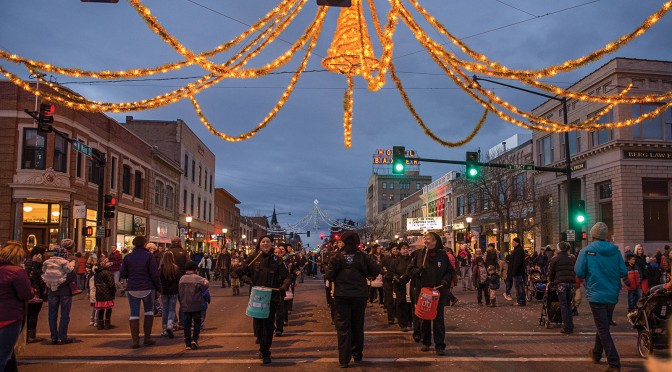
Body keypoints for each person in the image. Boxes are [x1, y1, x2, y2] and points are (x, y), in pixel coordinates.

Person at [575, 222, 628, 372]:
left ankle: (614, 363)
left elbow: (579, 272)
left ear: (592, 235)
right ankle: (596, 354)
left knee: (603, 328)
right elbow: (623, 271)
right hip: (612, 294)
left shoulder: (587, 251)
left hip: (596, 293)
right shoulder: (616, 251)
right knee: (603, 326)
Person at [325, 231, 380, 368]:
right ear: (357, 243)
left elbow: (329, 276)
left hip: (342, 295)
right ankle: (357, 354)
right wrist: (365, 274)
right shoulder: (363, 257)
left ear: (343, 242)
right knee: (357, 325)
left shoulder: (336, 257)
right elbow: (375, 270)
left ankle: (344, 359)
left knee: (343, 326)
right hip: (359, 295)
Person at [236, 236, 291, 365]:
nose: (265, 243)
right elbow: (241, 272)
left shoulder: (277, 260)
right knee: (259, 326)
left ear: (272, 244)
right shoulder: (253, 258)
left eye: (268, 242)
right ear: (260, 244)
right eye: (263, 241)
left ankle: (266, 352)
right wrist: (247, 280)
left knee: (268, 325)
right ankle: (262, 346)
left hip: (272, 296)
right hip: (257, 296)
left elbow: (287, 277)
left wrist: (283, 287)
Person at [407, 232, 455, 356]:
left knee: (438, 319)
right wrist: (418, 271)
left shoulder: (442, 255)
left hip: (438, 291)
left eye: (428, 239)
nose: (426, 241)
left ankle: (440, 345)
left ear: (435, 241)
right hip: (423, 291)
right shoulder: (419, 254)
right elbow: (410, 270)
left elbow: (450, 271)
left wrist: (445, 280)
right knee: (424, 318)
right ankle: (426, 341)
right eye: (425, 239)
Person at [120, 235, 162, 349]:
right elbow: (154, 273)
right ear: (144, 244)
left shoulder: (128, 257)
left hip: (133, 287)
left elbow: (123, 274)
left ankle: (135, 340)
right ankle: (147, 337)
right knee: (149, 311)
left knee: (134, 313)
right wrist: (159, 288)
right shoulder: (149, 256)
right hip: (148, 287)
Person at [0, 241, 34, 371]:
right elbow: (26, 294)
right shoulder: (17, 272)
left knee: (7, 355)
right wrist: (33, 292)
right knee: (3, 355)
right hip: (10, 317)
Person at [45, 239, 79, 345]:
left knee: (52, 314)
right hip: (65, 290)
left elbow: (46, 272)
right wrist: (61, 283)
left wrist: (53, 283)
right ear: (72, 247)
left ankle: (54, 336)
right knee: (64, 314)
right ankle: (62, 337)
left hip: (52, 289)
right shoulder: (72, 259)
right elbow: (72, 274)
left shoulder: (50, 259)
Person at [179, 261, 209, 350]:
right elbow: (206, 284)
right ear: (195, 269)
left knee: (187, 323)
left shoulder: (182, 279)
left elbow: (180, 292)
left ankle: (187, 342)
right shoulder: (198, 279)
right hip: (196, 304)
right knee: (197, 322)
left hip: (185, 304)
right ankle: (194, 339)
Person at [548, 241, 576, 334]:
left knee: (563, 305)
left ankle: (567, 327)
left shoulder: (555, 259)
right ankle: (570, 324)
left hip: (561, 284)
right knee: (569, 304)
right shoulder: (572, 258)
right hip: (571, 284)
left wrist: (551, 282)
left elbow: (551, 273)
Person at [24, 244, 47, 344]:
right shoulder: (32, 262)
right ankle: (30, 336)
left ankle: (30, 334)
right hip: (34, 291)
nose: (46, 253)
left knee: (33, 314)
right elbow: (32, 276)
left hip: (38, 290)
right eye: (45, 251)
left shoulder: (38, 262)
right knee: (32, 314)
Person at [392, 242, 413, 331]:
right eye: (403, 248)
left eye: (406, 248)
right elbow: (391, 272)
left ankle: (410, 321)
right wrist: (397, 277)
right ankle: (402, 324)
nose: (405, 250)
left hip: (411, 284)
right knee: (401, 303)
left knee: (410, 303)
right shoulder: (395, 261)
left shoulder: (412, 260)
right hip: (400, 284)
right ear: (400, 250)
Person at [159, 251, 180, 338]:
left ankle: (164, 329)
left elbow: (159, 280)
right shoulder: (175, 268)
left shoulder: (161, 268)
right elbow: (178, 280)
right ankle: (170, 325)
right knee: (172, 309)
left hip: (164, 291)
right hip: (173, 291)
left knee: (165, 310)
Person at [93, 257, 116, 330]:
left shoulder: (97, 273)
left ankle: (100, 324)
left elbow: (95, 283)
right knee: (108, 308)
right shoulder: (107, 273)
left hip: (99, 292)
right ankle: (107, 323)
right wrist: (113, 291)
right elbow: (111, 284)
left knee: (101, 309)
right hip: (107, 292)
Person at [382, 243, 399, 324]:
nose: (395, 251)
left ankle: (397, 315)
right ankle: (391, 317)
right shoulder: (386, 259)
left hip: (398, 281)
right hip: (388, 281)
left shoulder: (400, 258)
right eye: (394, 249)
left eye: (396, 249)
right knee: (389, 299)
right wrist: (385, 274)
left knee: (398, 299)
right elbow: (381, 268)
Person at [509, 237, 526, 306]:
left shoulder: (518, 251)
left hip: (518, 272)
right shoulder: (517, 250)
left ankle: (521, 300)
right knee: (518, 286)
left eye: (513, 242)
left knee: (519, 286)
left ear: (517, 243)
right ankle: (520, 300)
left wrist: (514, 271)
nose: (512, 243)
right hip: (518, 271)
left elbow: (517, 262)